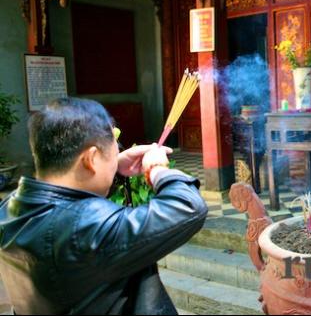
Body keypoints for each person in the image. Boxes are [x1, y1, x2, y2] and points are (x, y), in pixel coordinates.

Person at [0, 97, 208, 314]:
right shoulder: (85, 225)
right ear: (90, 158)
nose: (116, 155)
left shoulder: (12, 207)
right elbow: (188, 206)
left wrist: (114, 167)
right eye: (113, 150)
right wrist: (156, 169)